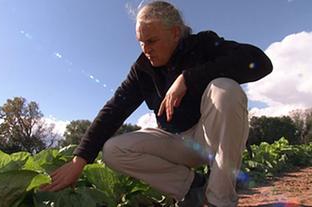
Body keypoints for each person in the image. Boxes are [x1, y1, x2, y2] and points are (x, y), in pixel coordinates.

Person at [40, 1, 272, 206]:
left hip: (209, 136)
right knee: (113, 150)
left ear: (175, 32)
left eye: (151, 41)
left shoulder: (203, 44)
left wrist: (188, 78)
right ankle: (192, 186)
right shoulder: (142, 69)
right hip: (175, 142)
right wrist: (79, 161)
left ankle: (218, 200)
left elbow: (260, 62)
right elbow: (113, 110)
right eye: (141, 42)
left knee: (226, 89)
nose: (146, 49)